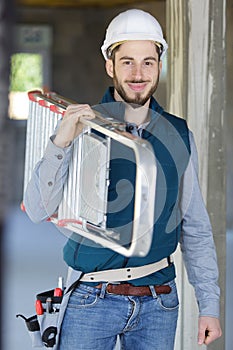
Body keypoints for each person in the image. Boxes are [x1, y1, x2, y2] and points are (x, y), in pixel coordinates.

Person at [24, 8, 222, 350]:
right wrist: (61, 142)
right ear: (109, 65)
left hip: (159, 302)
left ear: (160, 65)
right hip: (90, 298)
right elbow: (38, 209)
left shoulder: (179, 134)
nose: (138, 73)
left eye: (148, 61)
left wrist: (210, 305)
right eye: (127, 61)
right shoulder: (81, 125)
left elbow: (195, 227)